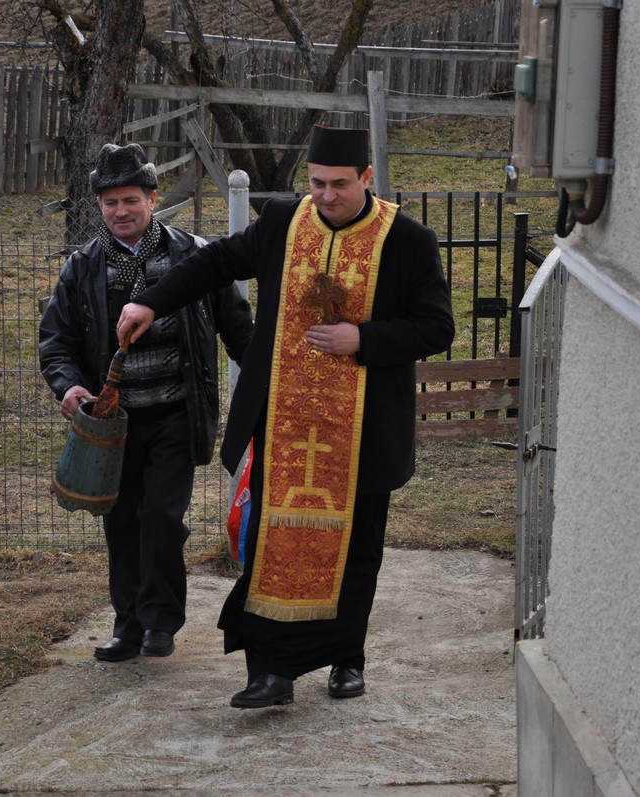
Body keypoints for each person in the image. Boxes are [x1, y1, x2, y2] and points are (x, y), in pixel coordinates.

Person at [116, 125, 455, 707]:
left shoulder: (408, 240)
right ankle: (269, 670)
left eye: (339, 185)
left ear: (366, 179)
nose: (325, 196)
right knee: (272, 541)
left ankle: (347, 659)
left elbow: (438, 327)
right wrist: (150, 300)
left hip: (364, 432)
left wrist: (363, 338)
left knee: (356, 548)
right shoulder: (281, 221)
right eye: (317, 183)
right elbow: (216, 261)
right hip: (285, 424)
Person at [39, 143, 254, 663]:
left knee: (160, 514)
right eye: (110, 202)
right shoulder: (81, 269)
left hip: (177, 413)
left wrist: (273, 375)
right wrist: (67, 386)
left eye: (130, 199)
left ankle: (160, 621)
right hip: (114, 426)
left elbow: (238, 329)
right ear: (99, 206)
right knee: (124, 520)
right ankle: (128, 625)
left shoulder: (194, 256)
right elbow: (56, 341)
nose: (120, 211)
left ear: (153, 199)